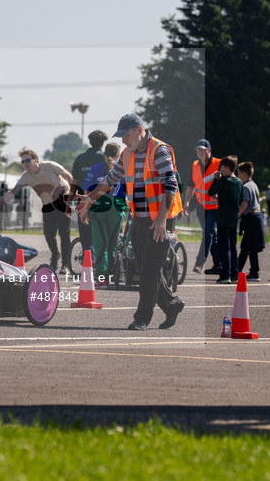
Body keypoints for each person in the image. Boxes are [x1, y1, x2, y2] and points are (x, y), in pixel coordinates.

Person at [77, 113, 185, 331]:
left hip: (160, 220)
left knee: (149, 271)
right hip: (139, 220)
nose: (123, 141)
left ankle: (142, 318)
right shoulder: (127, 154)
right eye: (121, 138)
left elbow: (170, 186)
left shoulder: (159, 151)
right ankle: (172, 305)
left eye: (126, 136)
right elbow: (110, 180)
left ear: (139, 130)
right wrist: (90, 198)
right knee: (147, 268)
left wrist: (162, 220)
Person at [0, 149, 74, 273]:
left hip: (62, 198)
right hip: (48, 204)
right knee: (48, 234)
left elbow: (69, 176)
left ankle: (65, 265)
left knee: (63, 232)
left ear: (35, 159)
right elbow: (13, 192)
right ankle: (55, 255)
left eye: (28, 160)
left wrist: (70, 199)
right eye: (23, 161)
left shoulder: (49, 166)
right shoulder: (26, 176)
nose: (25, 163)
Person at [82, 142, 127, 287]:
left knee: (100, 243)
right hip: (117, 206)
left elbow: (87, 191)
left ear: (104, 154)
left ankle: (102, 278)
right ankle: (114, 274)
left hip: (98, 206)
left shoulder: (95, 168)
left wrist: (85, 210)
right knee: (113, 244)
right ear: (119, 156)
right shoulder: (122, 169)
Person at [182, 139, 221, 275]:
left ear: (209, 150)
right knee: (211, 236)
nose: (200, 152)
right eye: (198, 150)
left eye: (203, 150)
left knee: (207, 233)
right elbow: (191, 185)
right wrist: (186, 202)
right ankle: (219, 265)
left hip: (215, 207)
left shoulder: (219, 164)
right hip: (201, 206)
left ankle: (199, 263)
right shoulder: (195, 165)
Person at [69, 130, 108, 255]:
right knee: (101, 233)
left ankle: (88, 263)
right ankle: (100, 262)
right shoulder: (106, 157)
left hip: (82, 200)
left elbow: (74, 181)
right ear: (103, 143)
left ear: (90, 141)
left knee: (85, 234)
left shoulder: (80, 158)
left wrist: (70, 200)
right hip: (102, 200)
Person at [207, 155, 242, 284]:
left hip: (222, 218)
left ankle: (224, 275)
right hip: (234, 218)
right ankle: (234, 274)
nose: (220, 169)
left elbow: (211, 192)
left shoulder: (224, 181)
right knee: (233, 247)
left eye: (221, 167)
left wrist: (216, 179)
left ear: (226, 167)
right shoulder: (238, 182)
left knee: (224, 248)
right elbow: (241, 198)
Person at [236, 162, 265, 281]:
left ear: (243, 173)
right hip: (256, 217)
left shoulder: (246, 187)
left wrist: (237, 215)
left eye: (239, 174)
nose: (238, 176)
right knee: (247, 246)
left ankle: (254, 272)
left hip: (251, 218)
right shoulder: (253, 184)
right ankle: (238, 269)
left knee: (250, 247)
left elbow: (245, 203)